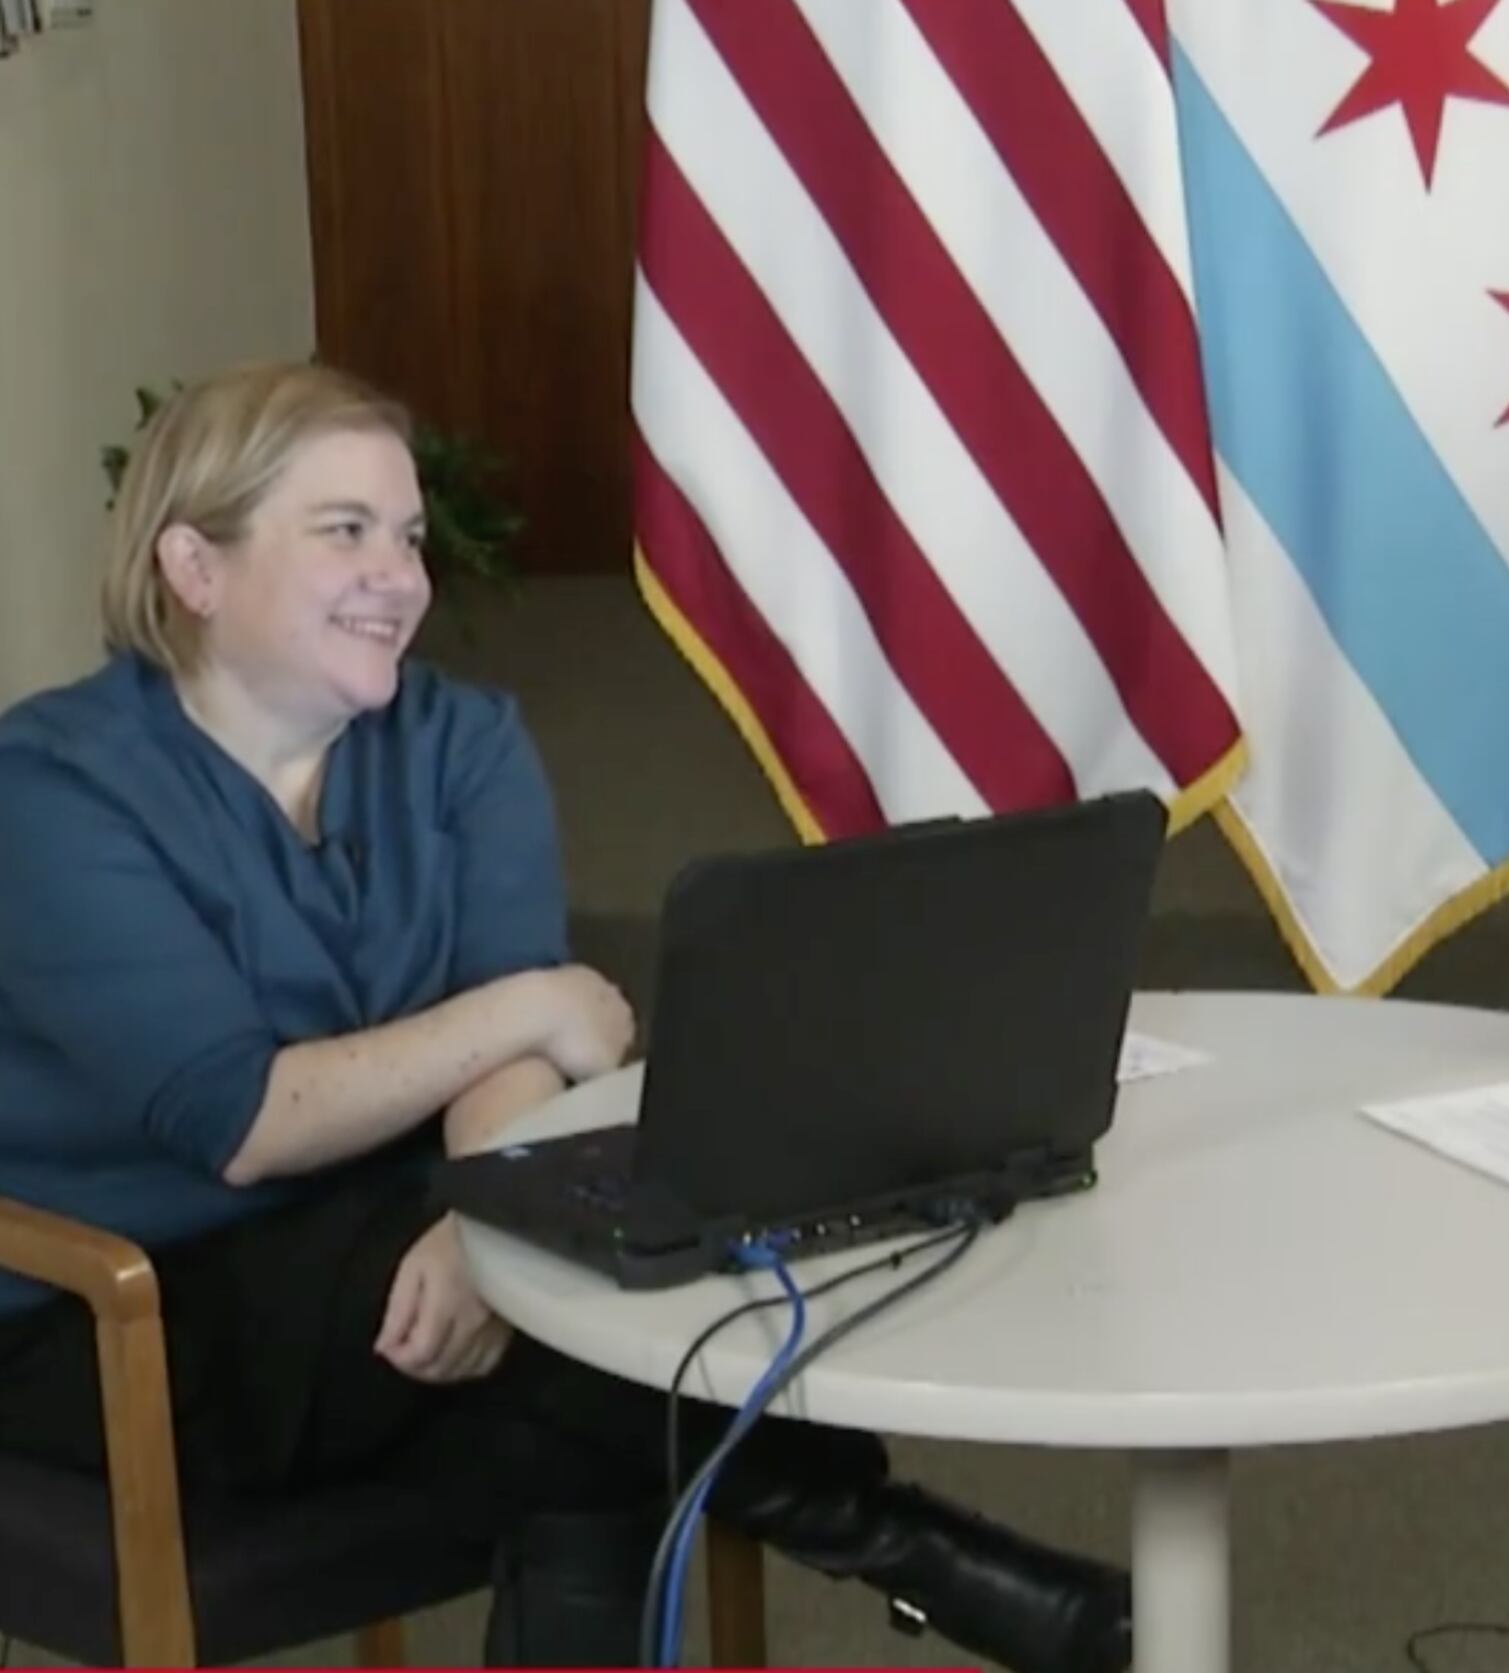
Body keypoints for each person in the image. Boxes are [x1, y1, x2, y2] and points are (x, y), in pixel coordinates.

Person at [0, 361, 1132, 1672]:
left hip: (386, 1236)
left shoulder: (459, 743)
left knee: (587, 1356)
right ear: (194, 568)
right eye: (344, 531)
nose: (400, 574)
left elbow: (526, 1064)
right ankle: (928, 1556)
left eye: (410, 536)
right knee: (603, 1349)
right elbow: (242, 1116)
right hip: (110, 1302)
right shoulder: (54, 790)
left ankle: (977, 1584)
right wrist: (525, 1018)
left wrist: (485, 1228)